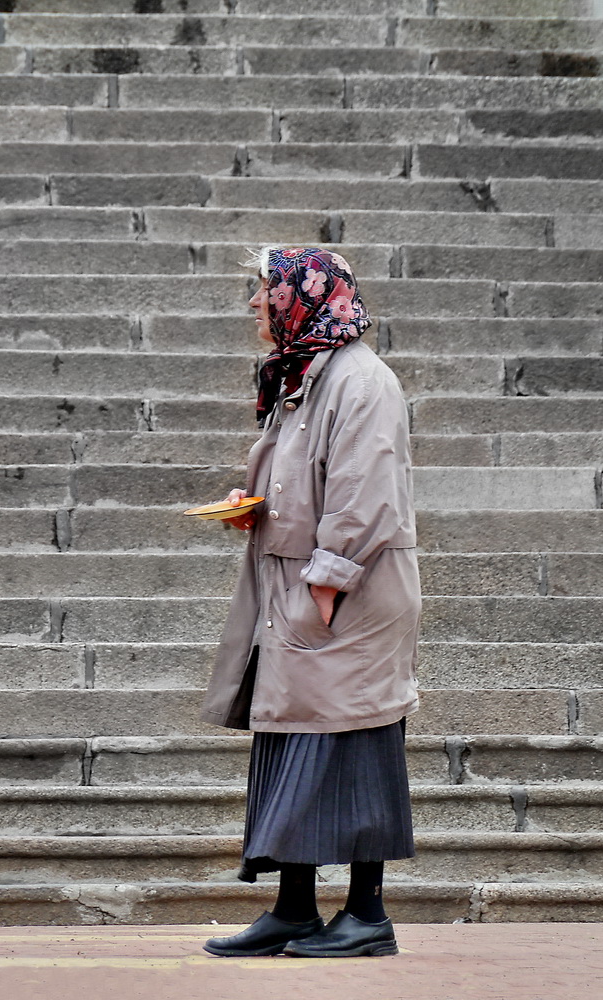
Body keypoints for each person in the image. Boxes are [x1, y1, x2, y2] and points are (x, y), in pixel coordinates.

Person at [200, 246, 420, 959]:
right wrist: (252, 508)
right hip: (299, 590)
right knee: (290, 736)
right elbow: (307, 484)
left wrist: (327, 582)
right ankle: (293, 907)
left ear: (301, 295)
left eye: (264, 292)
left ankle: (366, 914)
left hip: (344, 595)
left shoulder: (361, 382)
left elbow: (365, 494)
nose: (256, 307)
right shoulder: (305, 375)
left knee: (355, 740)